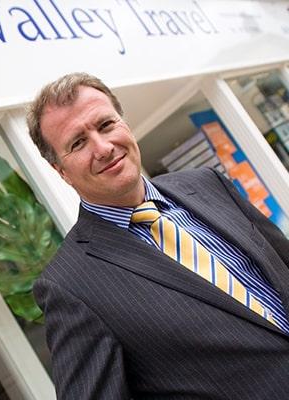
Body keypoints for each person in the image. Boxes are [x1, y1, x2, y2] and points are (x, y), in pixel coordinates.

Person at [27, 72, 289, 399]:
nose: (103, 147)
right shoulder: (69, 286)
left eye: (106, 125)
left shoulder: (207, 183)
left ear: (124, 123)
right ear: (61, 171)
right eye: (78, 143)